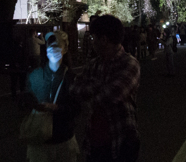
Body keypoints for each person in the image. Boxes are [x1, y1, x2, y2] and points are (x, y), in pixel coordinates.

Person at [71, 14, 140, 162]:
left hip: (121, 141)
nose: (92, 42)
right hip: (94, 142)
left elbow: (113, 94)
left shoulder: (129, 63)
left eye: (93, 38)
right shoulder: (94, 64)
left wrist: (90, 92)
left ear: (103, 39)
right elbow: (75, 88)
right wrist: (100, 86)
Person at [21, 31, 80, 162]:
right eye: (50, 46)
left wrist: (57, 108)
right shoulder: (35, 74)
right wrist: (31, 104)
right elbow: (25, 99)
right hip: (39, 141)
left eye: (57, 47)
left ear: (65, 49)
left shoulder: (71, 78)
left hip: (63, 140)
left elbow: (77, 108)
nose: (53, 50)